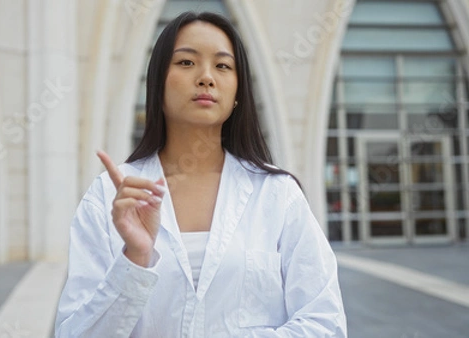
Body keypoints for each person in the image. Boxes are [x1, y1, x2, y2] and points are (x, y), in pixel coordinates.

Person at [55, 11, 347, 337]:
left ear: (238, 94)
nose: (206, 77)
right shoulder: (110, 197)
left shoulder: (277, 195)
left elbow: (325, 324)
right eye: (186, 62)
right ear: (157, 85)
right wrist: (134, 259)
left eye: (223, 66)